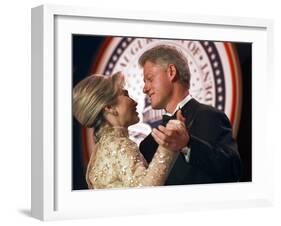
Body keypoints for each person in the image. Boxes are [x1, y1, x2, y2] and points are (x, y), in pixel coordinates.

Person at [138, 44, 242, 185]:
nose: (145, 88)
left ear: (171, 72)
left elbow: (233, 171)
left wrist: (187, 145)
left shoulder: (209, 117)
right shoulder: (148, 144)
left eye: (149, 79)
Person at [72, 72, 183, 189]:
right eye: (125, 94)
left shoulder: (101, 150)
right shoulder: (119, 145)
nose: (135, 102)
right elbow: (144, 190)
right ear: (109, 107)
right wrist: (168, 146)